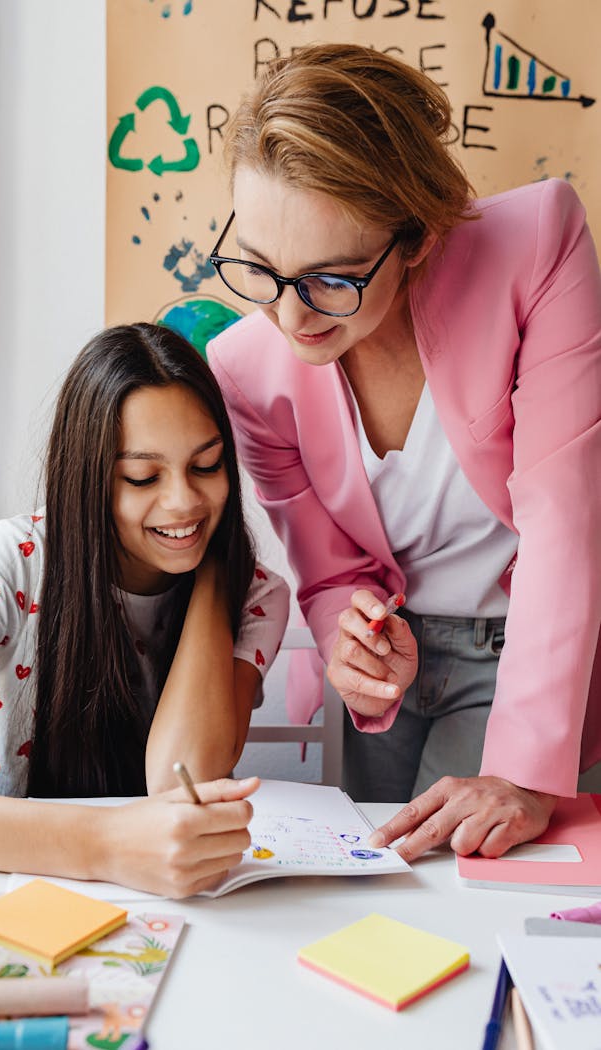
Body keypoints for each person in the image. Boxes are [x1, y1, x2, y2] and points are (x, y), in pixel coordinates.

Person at [206, 43, 601, 863]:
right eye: (262, 270)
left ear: (416, 238)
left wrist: (523, 772)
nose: (292, 318)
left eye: (330, 279)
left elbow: (566, 515)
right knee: (372, 893)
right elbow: (327, 570)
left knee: (468, 891)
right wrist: (348, 641)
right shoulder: (246, 369)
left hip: (525, 656)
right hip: (394, 671)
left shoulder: (538, 244)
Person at [0, 322, 289, 897]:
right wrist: (104, 844)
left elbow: (182, 778)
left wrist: (210, 569)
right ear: (88, 481)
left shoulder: (255, 594)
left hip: (167, 900)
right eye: (142, 476)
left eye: (206, 466)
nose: (183, 499)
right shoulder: (16, 561)